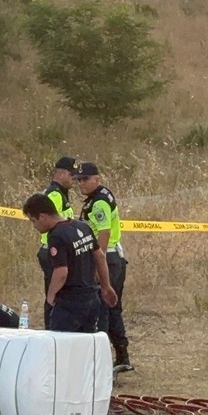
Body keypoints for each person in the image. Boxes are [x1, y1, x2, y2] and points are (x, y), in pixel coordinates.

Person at [22, 193, 117, 333]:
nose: (34, 226)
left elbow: (61, 273)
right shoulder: (83, 226)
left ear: (42, 217)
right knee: (86, 346)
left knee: (61, 347)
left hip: (70, 304)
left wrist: (50, 297)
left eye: (33, 221)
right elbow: (100, 257)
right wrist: (106, 286)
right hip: (91, 299)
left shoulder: (56, 236)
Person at [74, 162, 132, 371]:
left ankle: (104, 361)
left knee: (104, 310)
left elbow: (104, 232)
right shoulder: (99, 196)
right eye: (78, 180)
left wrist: (100, 265)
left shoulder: (98, 202)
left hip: (108, 258)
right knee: (112, 308)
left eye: (85, 179)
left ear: (97, 179)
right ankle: (121, 357)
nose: (81, 183)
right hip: (112, 257)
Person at [38, 157, 77, 329]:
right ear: (61, 174)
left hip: (59, 250)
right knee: (54, 297)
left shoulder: (61, 193)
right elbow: (49, 222)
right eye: (71, 175)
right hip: (53, 252)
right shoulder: (54, 195)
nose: (74, 179)